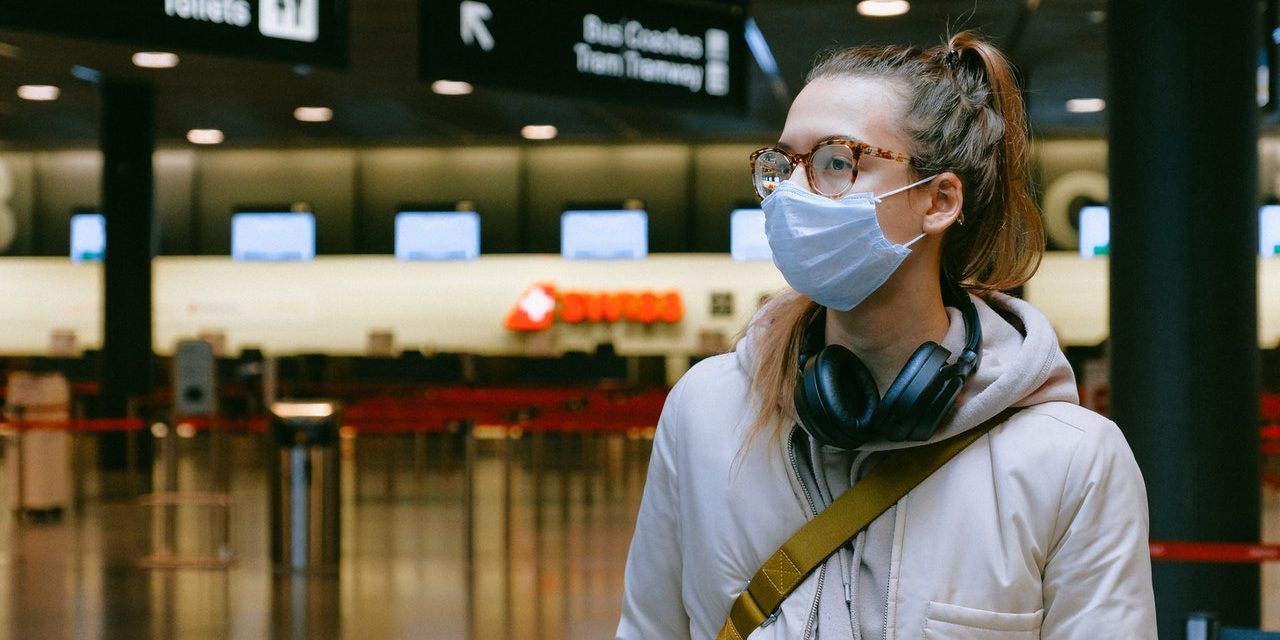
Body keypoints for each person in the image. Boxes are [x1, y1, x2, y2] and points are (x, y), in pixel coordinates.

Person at [616, 31, 1156, 639]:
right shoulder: (705, 411)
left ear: (938, 200)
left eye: (837, 163)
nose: (793, 194)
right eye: (783, 165)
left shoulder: (1070, 460)